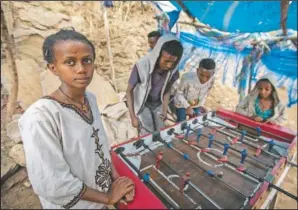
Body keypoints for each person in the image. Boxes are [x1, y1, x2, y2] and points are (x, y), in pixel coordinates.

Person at [18, 29, 135, 209]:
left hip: (99, 200)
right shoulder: (40, 117)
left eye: (87, 60)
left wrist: (116, 179)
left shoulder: (91, 99)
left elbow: (101, 147)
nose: (81, 69)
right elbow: (52, 182)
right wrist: (108, 198)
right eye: (70, 62)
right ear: (53, 68)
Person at [126, 34, 183, 134]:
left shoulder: (172, 70)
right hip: (143, 104)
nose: (169, 65)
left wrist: (165, 109)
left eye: (173, 62)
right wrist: (133, 117)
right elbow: (129, 91)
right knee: (147, 133)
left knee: (161, 131)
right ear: (158, 54)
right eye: (166, 61)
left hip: (158, 104)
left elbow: (167, 90)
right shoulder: (142, 65)